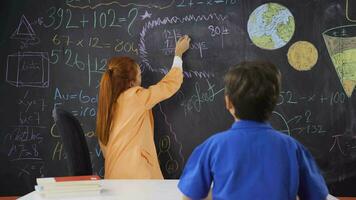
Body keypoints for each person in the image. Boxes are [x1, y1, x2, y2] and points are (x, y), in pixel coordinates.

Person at [178, 61, 330, 200]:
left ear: (228, 102)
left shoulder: (212, 146)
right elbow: (317, 196)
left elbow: (189, 197)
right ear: (273, 102)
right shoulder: (293, 148)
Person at [96, 35, 191, 179]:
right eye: (140, 75)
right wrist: (178, 55)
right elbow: (168, 86)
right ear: (131, 82)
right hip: (138, 177)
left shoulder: (107, 106)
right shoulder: (134, 97)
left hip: (113, 177)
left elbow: (105, 149)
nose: (142, 80)